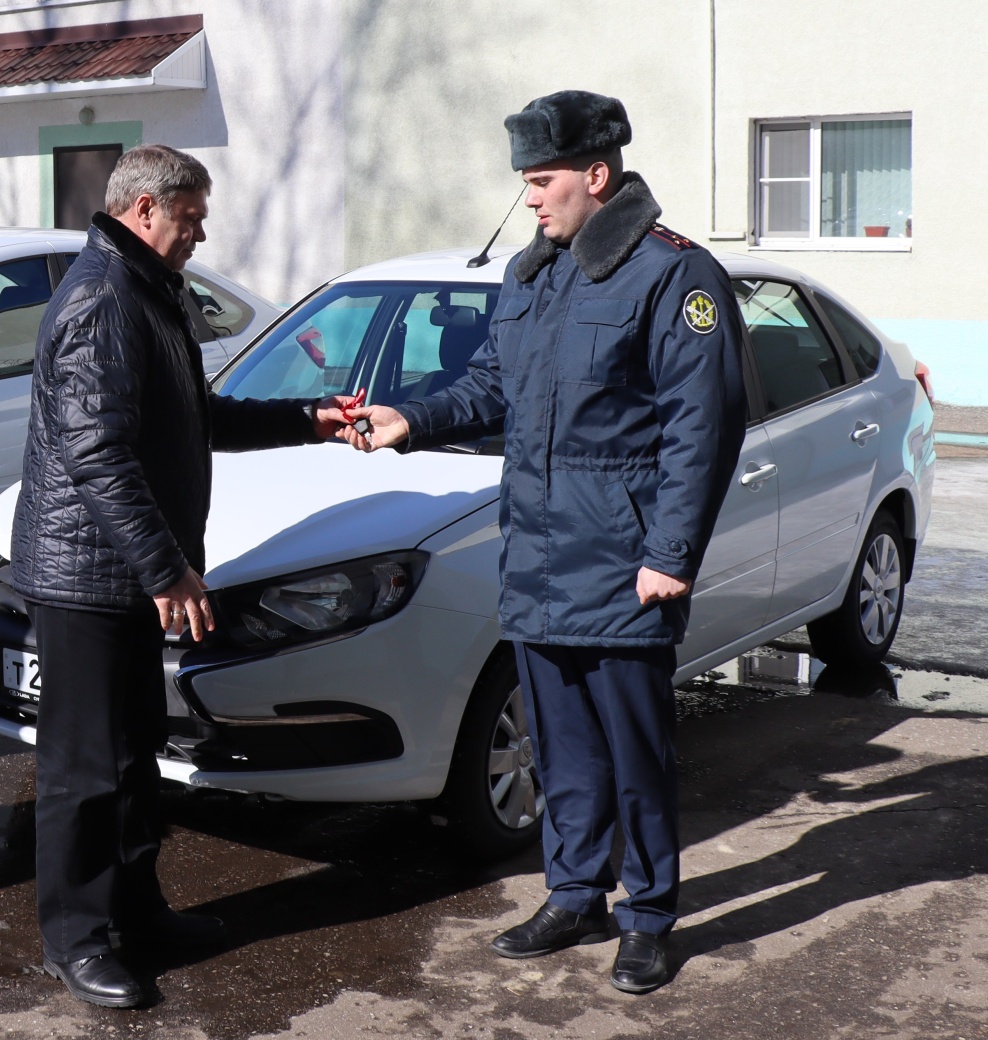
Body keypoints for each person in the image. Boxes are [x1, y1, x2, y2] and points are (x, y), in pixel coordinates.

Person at [332, 91, 746, 993]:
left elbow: (702, 426)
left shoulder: (675, 276)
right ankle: (574, 892)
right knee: (562, 749)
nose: (531, 198)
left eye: (543, 180)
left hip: (625, 564)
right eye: (525, 182)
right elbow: (491, 386)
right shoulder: (531, 277)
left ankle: (647, 915)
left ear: (597, 178)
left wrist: (671, 555)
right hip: (536, 558)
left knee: (635, 752)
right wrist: (411, 417)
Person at [10, 144, 344, 1008]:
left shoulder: (147, 291)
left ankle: (137, 912)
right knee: (85, 769)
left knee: (134, 759)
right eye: (191, 215)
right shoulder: (101, 299)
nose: (201, 231)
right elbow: (97, 452)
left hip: (126, 574)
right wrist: (168, 571)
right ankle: (78, 939)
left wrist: (313, 419)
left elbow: (199, 419)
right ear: (145, 208)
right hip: (89, 579)